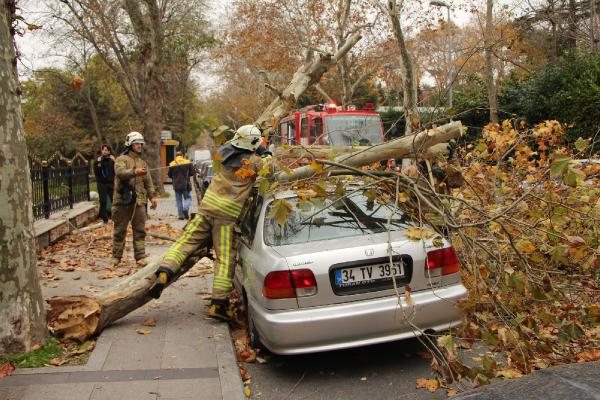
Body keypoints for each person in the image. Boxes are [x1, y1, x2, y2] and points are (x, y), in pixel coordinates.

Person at [148, 125, 272, 321]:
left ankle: (164, 272)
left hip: (207, 208)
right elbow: (270, 166)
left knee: (185, 242)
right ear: (253, 145)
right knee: (224, 259)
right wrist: (264, 150)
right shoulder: (253, 162)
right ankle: (219, 304)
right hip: (226, 216)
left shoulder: (220, 155)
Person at [111, 131, 158, 268]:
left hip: (139, 202)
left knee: (140, 231)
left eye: (140, 143)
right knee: (120, 231)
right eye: (136, 143)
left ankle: (140, 257)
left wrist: (152, 196)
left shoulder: (142, 162)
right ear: (130, 144)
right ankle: (116, 257)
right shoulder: (121, 159)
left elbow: (148, 182)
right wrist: (134, 172)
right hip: (122, 202)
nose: (139, 146)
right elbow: (120, 173)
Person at [168, 151, 194, 220]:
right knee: (188, 198)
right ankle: (185, 208)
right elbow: (192, 172)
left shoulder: (172, 164)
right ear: (182, 155)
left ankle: (181, 216)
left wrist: (175, 178)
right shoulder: (187, 162)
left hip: (176, 185)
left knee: (178, 201)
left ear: (176, 156)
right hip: (185, 185)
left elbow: (169, 175)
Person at [94, 144, 115, 224]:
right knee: (103, 201)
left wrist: (115, 161)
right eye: (103, 150)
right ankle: (104, 219)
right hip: (101, 183)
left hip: (110, 183)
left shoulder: (111, 160)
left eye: (106, 150)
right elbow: (96, 172)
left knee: (114, 200)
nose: (104, 151)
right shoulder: (98, 160)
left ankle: (115, 216)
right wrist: (98, 163)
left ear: (109, 151)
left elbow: (117, 171)